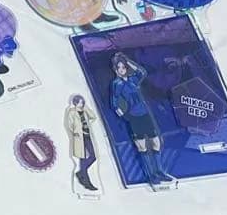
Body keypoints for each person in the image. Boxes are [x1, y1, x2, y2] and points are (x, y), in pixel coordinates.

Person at [110, 53, 173, 185]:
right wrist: (123, 115)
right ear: (115, 69)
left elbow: (141, 72)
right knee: (142, 147)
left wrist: (127, 60)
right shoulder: (117, 84)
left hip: (145, 114)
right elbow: (114, 102)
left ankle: (160, 171)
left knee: (156, 143)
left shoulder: (133, 79)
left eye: (123, 67)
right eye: (119, 68)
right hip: (134, 117)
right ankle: (151, 176)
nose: (121, 70)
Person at [65, 94, 99, 191]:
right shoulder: (71, 112)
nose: (81, 104)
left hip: (87, 136)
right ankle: (87, 182)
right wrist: (75, 132)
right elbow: (69, 124)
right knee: (82, 158)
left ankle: (81, 173)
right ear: (75, 103)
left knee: (93, 156)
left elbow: (93, 117)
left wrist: (86, 108)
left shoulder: (84, 111)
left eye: (82, 102)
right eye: (80, 102)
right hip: (79, 138)